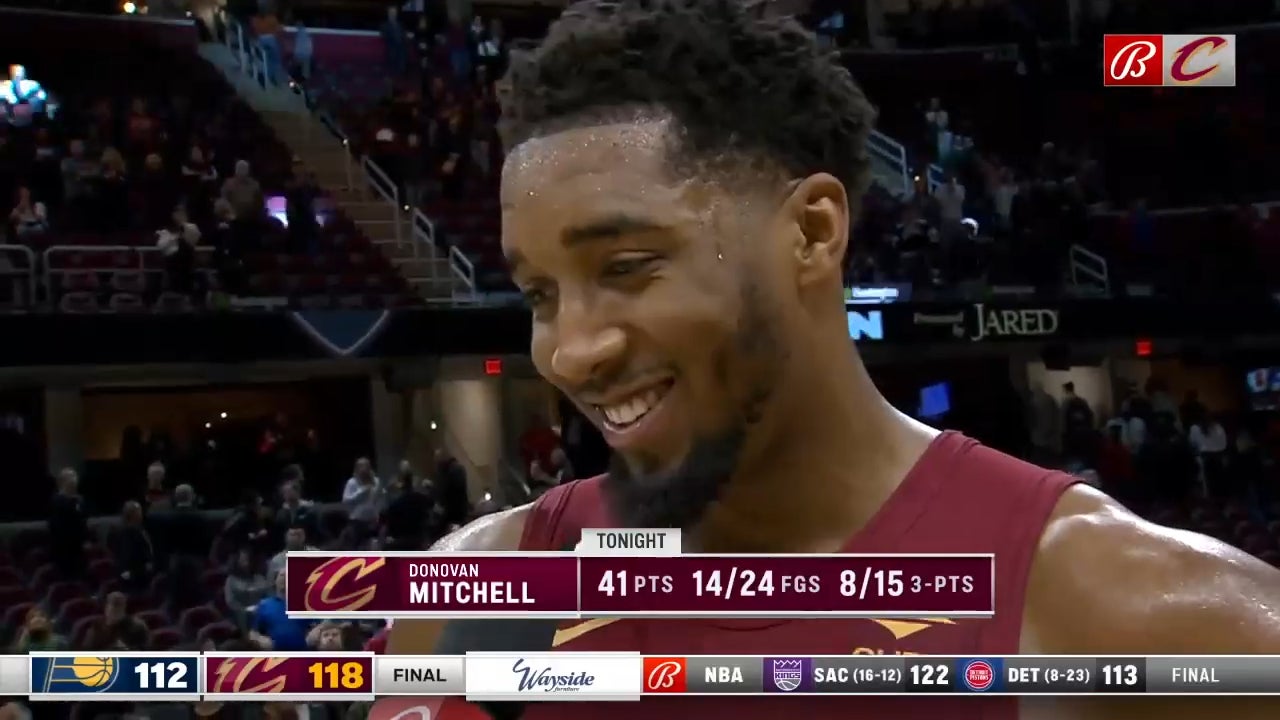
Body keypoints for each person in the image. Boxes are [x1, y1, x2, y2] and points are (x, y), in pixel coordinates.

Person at [388, 2, 1280, 719]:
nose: (571, 351)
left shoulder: (1148, 616)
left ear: (812, 232)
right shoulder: (480, 593)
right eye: (541, 293)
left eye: (626, 268)